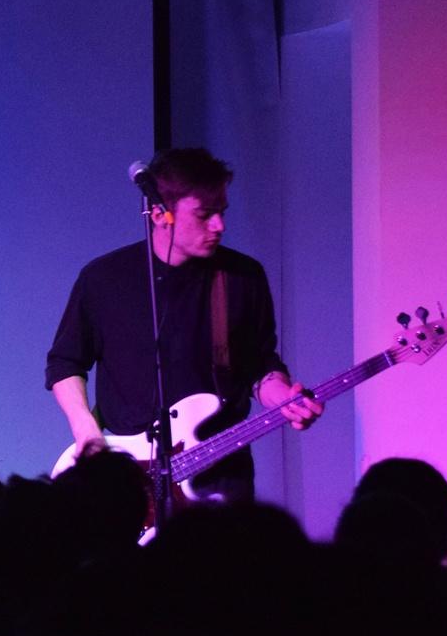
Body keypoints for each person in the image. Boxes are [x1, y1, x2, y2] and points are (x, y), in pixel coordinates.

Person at [45, 147, 320, 501]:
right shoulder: (103, 279)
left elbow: (258, 364)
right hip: (131, 479)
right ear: (160, 214)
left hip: (220, 472)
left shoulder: (242, 276)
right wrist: (86, 430)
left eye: (222, 212)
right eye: (205, 215)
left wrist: (283, 396)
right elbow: (65, 363)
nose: (219, 226)